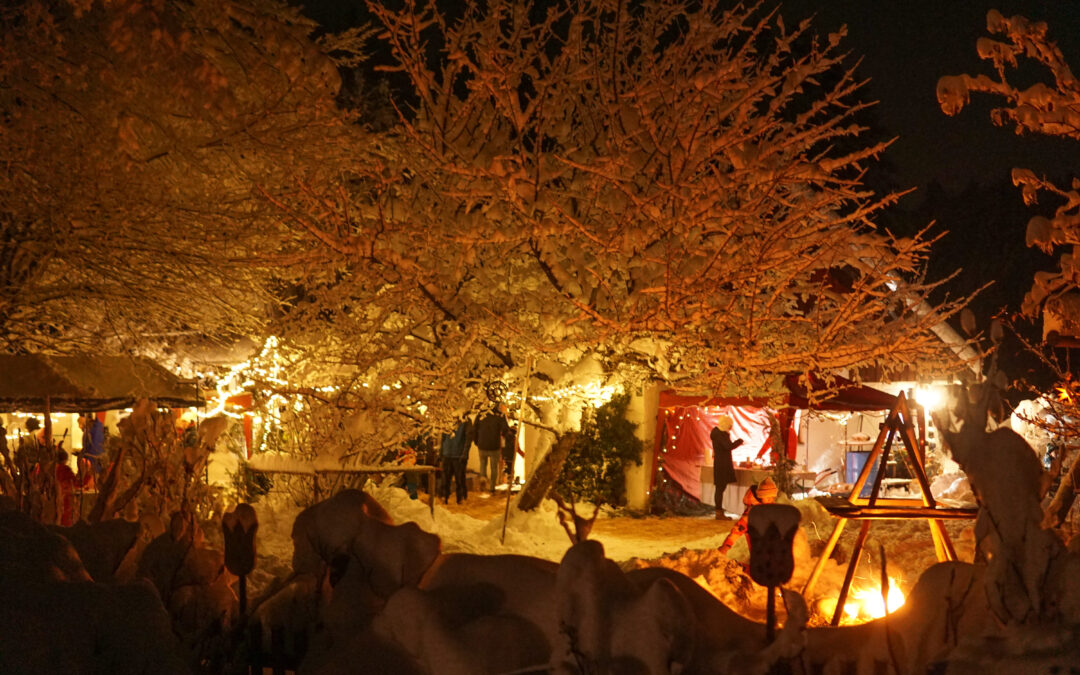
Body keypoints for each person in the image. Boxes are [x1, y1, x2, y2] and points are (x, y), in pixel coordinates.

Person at [710, 415, 744, 520]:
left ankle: (719, 511)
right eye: (730, 425)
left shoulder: (717, 433)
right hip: (722, 464)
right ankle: (719, 512)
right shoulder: (720, 434)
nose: (731, 427)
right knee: (720, 488)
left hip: (720, 463)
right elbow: (728, 446)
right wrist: (739, 441)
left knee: (720, 488)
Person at [474, 403, 512, 494]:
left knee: (483, 464)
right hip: (494, 446)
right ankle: (491, 488)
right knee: (494, 467)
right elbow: (505, 429)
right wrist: (507, 437)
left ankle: (483, 478)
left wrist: (476, 441)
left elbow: (474, 429)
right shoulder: (499, 415)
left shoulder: (481, 414)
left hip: (482, 444)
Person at [439, 412, 473, 504]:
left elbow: (468, 438)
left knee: (458, 479)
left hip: (457, 454)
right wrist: (441, 452)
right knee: (447, 479)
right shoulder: (448, 420)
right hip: (449, 453)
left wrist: (464, 453)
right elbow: (443, 437)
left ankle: (459, 498)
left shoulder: (465, 421)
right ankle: (446, 497)